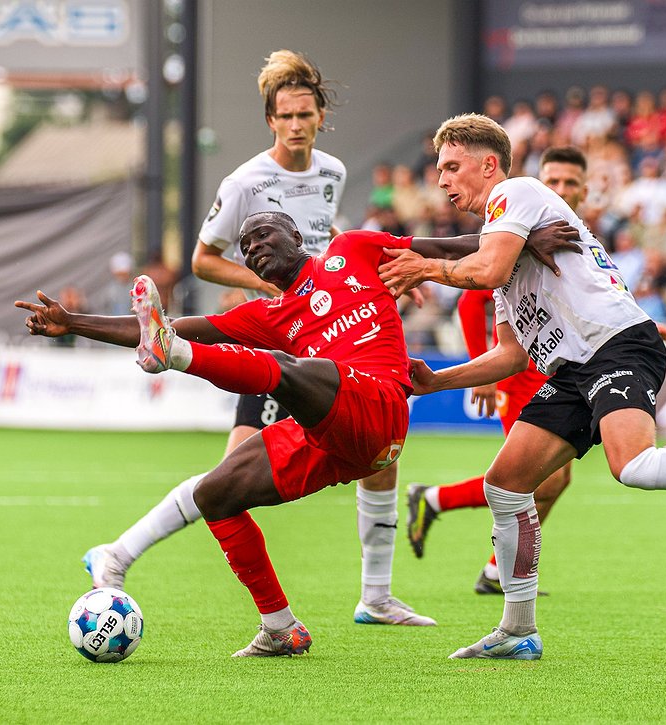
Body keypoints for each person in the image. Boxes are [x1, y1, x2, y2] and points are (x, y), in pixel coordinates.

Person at [380, 114, 666, 660]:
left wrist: (425, 266)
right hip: (572, 369)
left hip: (616, 345)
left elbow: (485, 271)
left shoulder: (516, 192)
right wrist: (436, 381)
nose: (441, 180)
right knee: (505, 484)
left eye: (451, 167)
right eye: (439, 170)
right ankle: (518, 630)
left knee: (634, 466)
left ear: (488, 165)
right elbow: (510, 354)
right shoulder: (503, 246)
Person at [16, 211, 574, 656]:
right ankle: (279, 626)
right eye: (245, 246)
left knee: (292, 369)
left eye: (263, 234)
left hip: (381, 409)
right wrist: (73, 323)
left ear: (296, 236)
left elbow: (446, 246)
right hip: (330, 437)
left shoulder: (354, 249)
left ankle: (177, 358)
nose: (253, 246)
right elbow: (155, 325)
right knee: (216, 494)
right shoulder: (268, 314)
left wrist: (523, 240)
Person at [53, 50, 423, 630]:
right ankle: (123, 554)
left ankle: (375, 596)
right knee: (232, 472)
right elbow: (203, 260)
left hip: (328, 325)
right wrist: (270, 285)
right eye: (285, 116)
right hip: (279, 332)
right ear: (270, 120)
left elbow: (327, 242)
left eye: (305, 114)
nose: (296, 125)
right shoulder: (246, 182)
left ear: (321, 117)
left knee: (381, 458)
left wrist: (374, 273)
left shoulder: (332, 172)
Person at [405, 146, 666, 595]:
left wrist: (643, 324)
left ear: (584, 191)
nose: (561, 189)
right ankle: (457, 523)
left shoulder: (567, 234)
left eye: (571, 183)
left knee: (550, 479)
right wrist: (485, 371)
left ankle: (495, 569)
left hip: (564, 361)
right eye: (553, 180)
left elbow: (591, 295)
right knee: (534, 476)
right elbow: (475, 299)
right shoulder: (514, 218)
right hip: (523, 370)